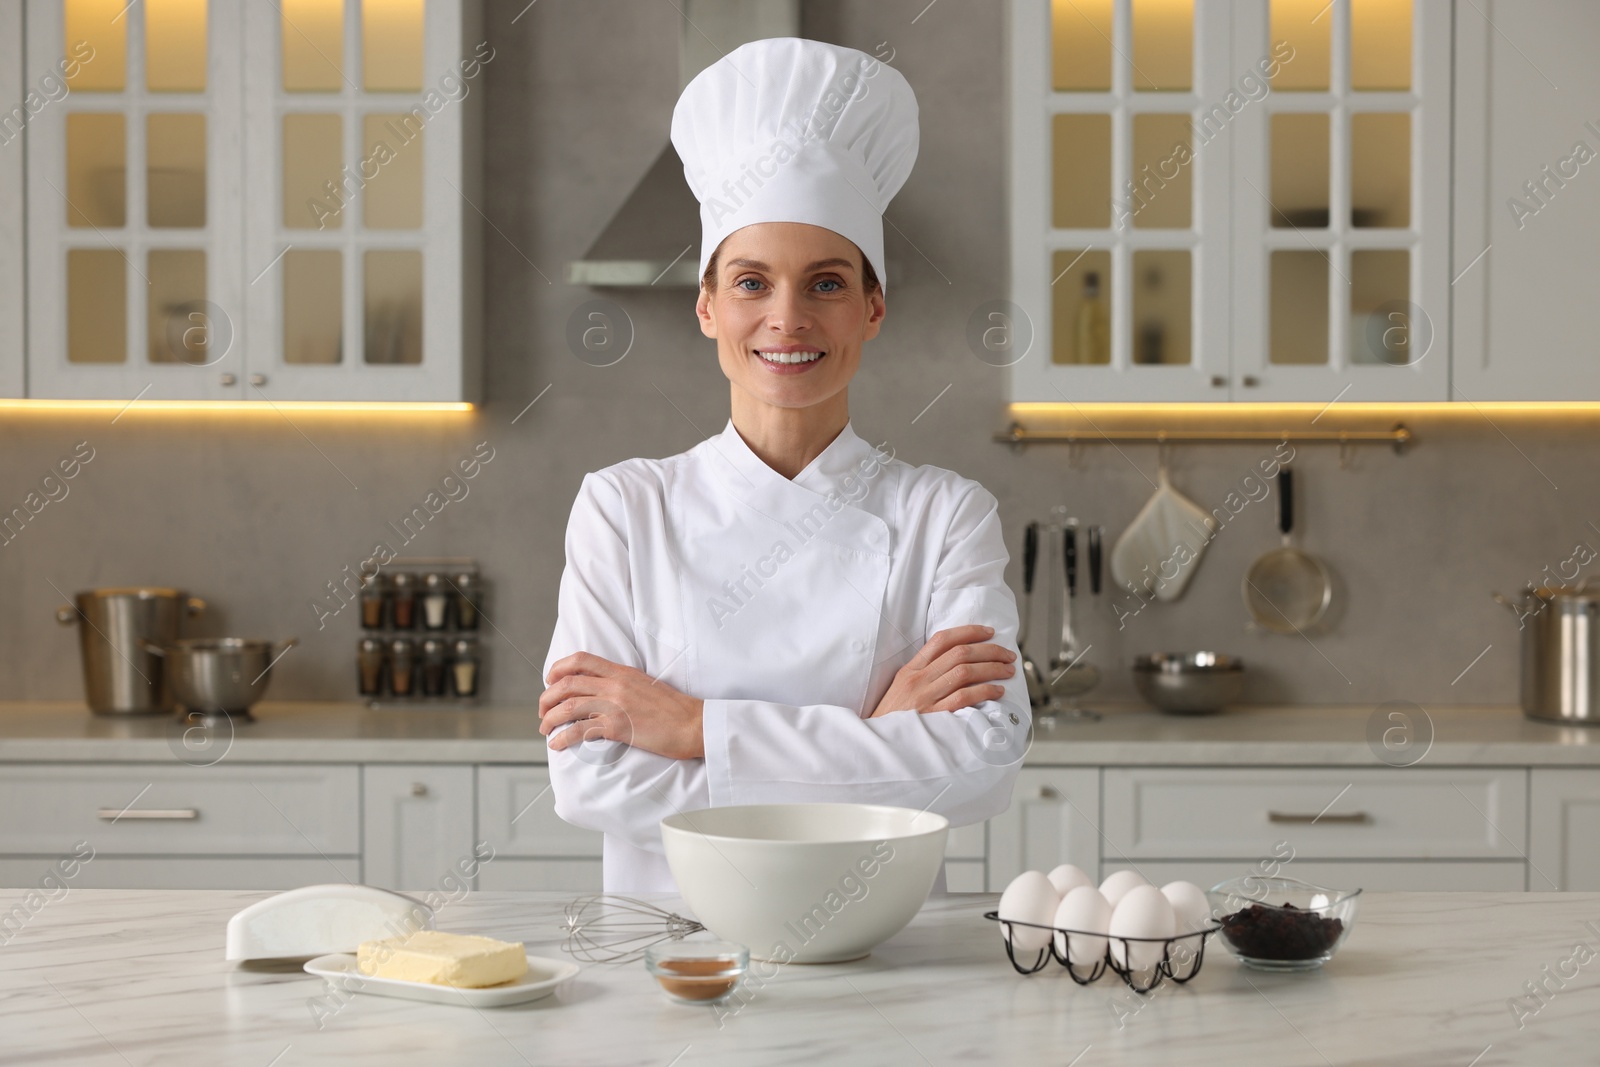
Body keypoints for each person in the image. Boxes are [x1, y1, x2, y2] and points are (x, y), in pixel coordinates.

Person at [539, 37, 1029, 893]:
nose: (788, 318)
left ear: (873, 307)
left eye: (828, 283)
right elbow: (591, 779)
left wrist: (694, 728)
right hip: (673, 961)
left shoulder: (946, 515)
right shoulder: (623, 508)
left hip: (887, 966)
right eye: (752, 282)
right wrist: (878, 737)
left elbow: (980, 761)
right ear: (707, 304)